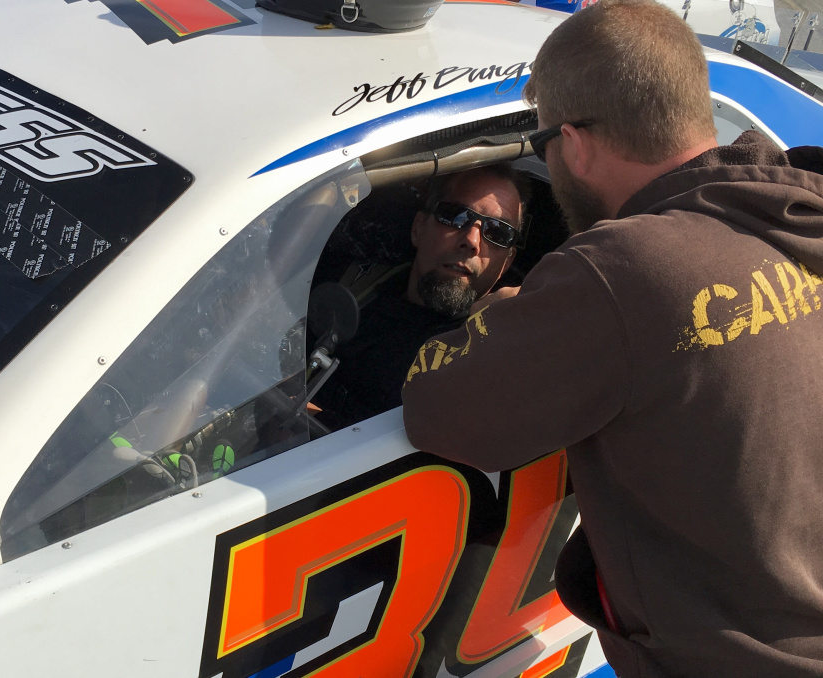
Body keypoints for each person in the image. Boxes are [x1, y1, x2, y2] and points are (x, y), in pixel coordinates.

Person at [400, 1, 823, 677]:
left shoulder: (621, 270)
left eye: (543, 143)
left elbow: (436, 408)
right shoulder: (797, 214)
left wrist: (497, 317)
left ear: (574, 144)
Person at [313, 165, 525, 431]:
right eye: (456, 215)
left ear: (506, 264)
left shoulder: (485, 357)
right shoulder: (352, 281)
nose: (472, 241)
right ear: (418, 228)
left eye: (498, 233)